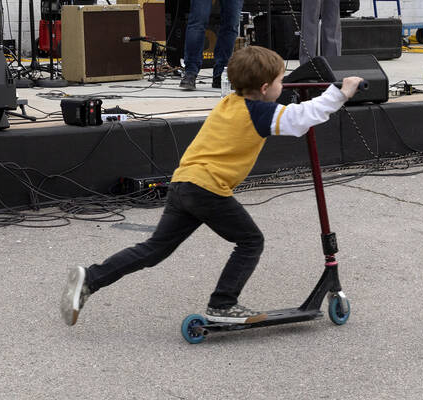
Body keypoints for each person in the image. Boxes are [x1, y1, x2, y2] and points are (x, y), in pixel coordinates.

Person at [60, 45, 364, 326]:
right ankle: (223, 304)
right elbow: (302, 118)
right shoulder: (259, 113)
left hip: (184, 183)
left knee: (153, 249)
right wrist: (340, 93)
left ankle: (91, 278)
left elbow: (282, 112)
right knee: (250, 241)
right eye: (280, 82)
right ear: (264, 88)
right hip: (207, 189)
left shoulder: (230, 103)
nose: (282, 87)